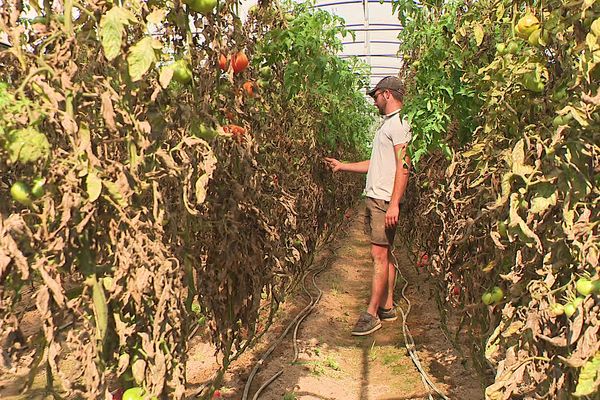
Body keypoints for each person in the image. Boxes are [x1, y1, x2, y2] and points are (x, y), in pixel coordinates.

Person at [325, 76, 411, 336]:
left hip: (385, 200)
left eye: (375, 96)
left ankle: (371, 314)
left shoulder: (399, 125)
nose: (373, 101)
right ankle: (386, 306)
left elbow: (403, 167)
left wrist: (394, 204)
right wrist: (343, 166)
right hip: (379, 198)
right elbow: (376, 164)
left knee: (378, 255)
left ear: (387, 94)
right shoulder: (388, 126)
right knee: (385, 253)